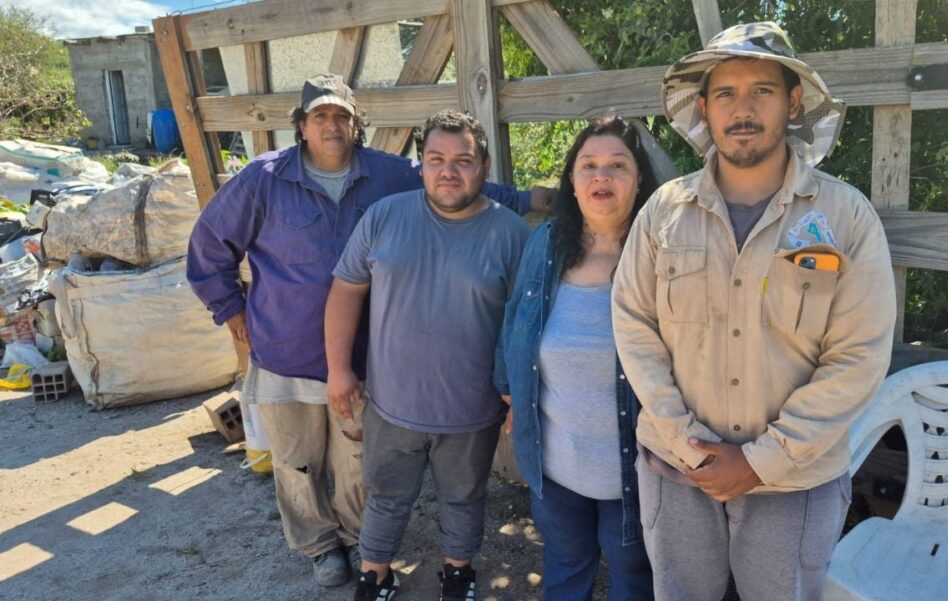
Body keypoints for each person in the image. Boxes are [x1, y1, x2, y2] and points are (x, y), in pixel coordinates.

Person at [187, 74, 547, 588]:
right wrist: (229, 307)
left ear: (357, 126)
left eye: (342, 116)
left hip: (362, 357)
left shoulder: (389, 175)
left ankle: (363, 548)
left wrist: (543, 197)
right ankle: (318, 546)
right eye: (320, 116)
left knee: (361, 465)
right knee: (296, 461)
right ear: (301, 125)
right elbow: (209, 243)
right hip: (285, 347)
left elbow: (461, 181)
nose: (331, 126)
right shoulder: (262, 179)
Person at [611, 22, 896, 600]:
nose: (743, 109)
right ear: (705, 108)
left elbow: (858, 357)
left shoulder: (846, 217)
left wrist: (763, 459)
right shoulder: (664, 212)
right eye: (725, 93)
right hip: (676, 468)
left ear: (793, 102)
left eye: (761, 91)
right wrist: (689, 442)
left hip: (795, 483)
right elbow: (633, 325)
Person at [324, 109, 530, 601]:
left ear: (484, 166)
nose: (449, 171)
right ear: (422, 165)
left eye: (463, 160)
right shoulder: (384, 216)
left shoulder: (512, 234)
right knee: (386, 496)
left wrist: (519, 394)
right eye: (436, 158)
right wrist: (338, 368)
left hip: (472, 409)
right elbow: (345, 290)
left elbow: (525, 324)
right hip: (392, 404)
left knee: (463, 498)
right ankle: (375, 574)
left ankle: (457, 573)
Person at [495, 116, 657, 601]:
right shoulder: (546, 244)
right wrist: (510, 391)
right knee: (565, 571)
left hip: (637, 471)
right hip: (555, 466)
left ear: (639, 179)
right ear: (572, 180)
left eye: (616, 165)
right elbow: (515, 317)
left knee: (635, 579)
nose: (600, 176)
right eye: (588, 165)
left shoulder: (660, 251)